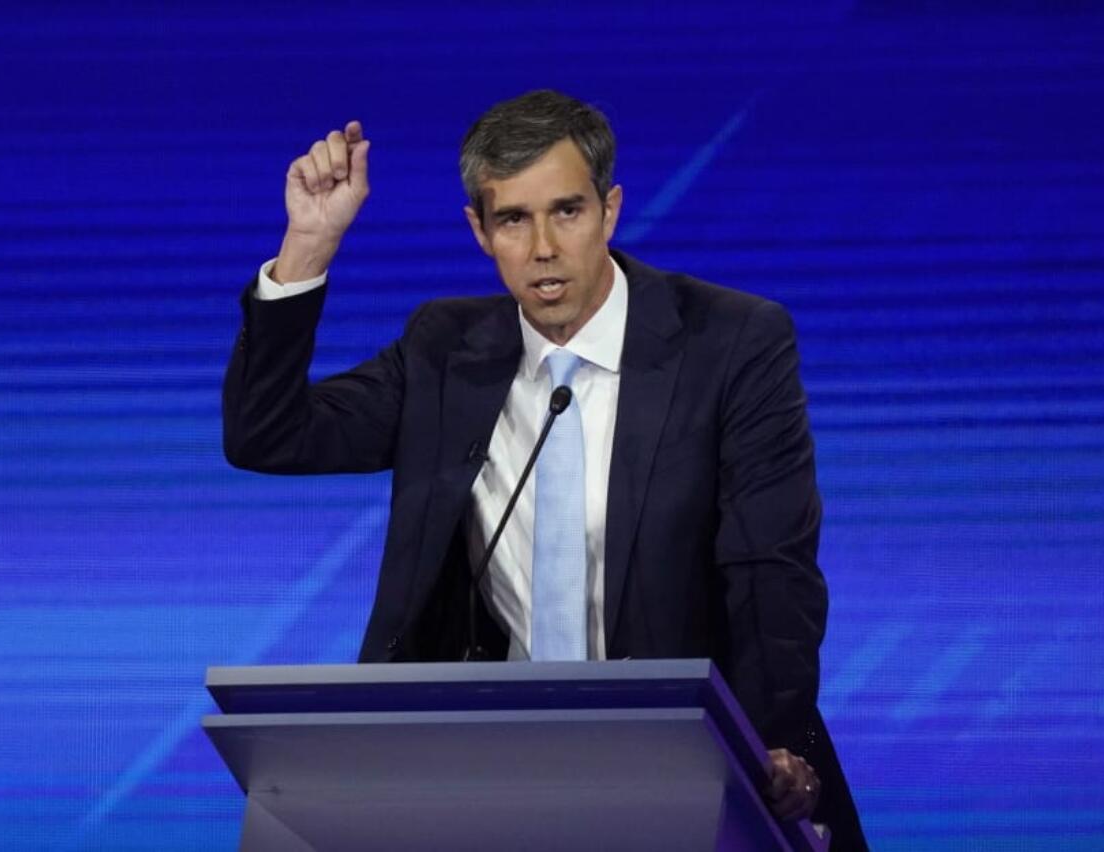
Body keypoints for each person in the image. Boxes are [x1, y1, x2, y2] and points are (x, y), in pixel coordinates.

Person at [223, 89, 867, 848]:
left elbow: (771, 569)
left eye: (567, 211)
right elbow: (269, 434)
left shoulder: (730, 343)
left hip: (690, 760)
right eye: (513, 220)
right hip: (498, 774)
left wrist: (771, 743)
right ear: (479, 231)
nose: (544, 249)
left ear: (610, 210)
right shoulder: (446, 350)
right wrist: (308, 248)